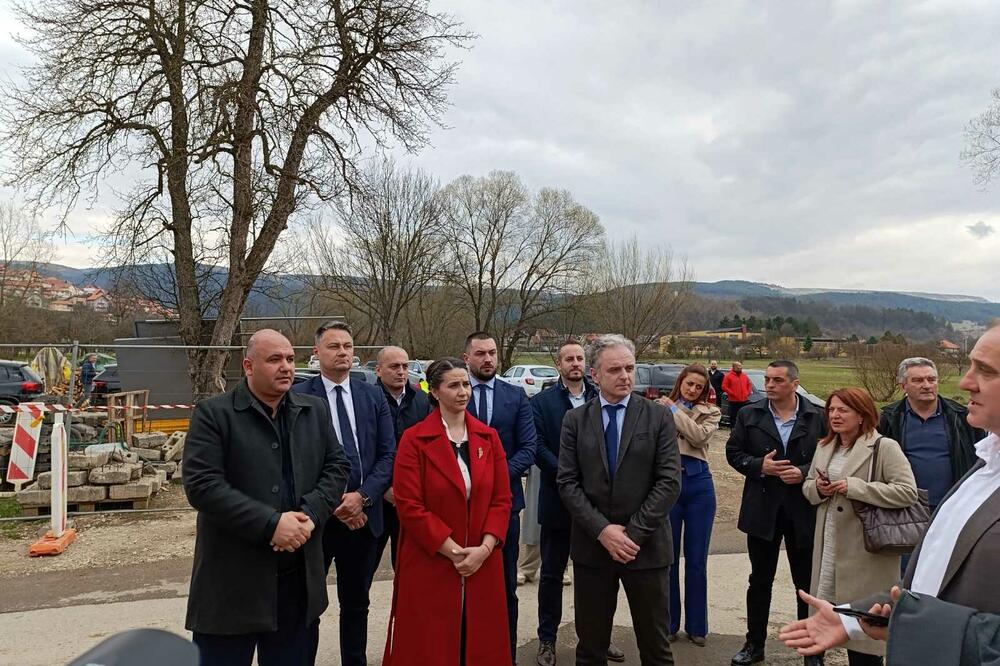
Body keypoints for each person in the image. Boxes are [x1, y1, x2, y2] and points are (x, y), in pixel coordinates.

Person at [779, 323, 1000, 665]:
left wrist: (914, 624)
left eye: (985, 370)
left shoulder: (951, 428)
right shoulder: (984, 468)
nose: (964, 382)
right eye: (831, 411)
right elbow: (930, 588)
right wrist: (857, 619)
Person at [183, 330, 351, 665]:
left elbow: (337, 465)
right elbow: (202, 485)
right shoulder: (214, 414)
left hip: (297, 584)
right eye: (275, 359)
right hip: (232, 584)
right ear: (248, 365)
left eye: (290, 359)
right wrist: (270, 524)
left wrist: (310, 516)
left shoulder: (313, 410)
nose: (286, 367)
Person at [557, 334, 681, 666]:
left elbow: (669, 482)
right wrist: (602, 531)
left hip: (646, 549)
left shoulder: (657, 417)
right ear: (594, 375)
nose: (626, 376)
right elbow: (567, 483)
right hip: (592, 550)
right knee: (591, 647)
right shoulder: (575, 421)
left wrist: (630, 535)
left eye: (630, 367)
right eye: (615, 369)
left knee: (656, 647)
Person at [383, 357, 513, 666]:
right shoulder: (414, 440)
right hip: (432, 560)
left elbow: (502, 498)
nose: (463, 391)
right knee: (431, 645)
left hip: (483, 561)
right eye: (453, 385)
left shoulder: (488, 438)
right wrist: (453, 551)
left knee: (481, 642)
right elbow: (410, 505)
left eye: (466, 384)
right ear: (435, 392)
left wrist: (484, 548)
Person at [292, 321, 396, 666]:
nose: (343, 353)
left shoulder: (372, 394)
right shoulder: (300, 398)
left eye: (348, 346)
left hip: (363, 519)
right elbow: (297, 461)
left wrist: (362, 497)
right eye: (334, 346)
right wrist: (334, 503)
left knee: (357, 603)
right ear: (316, 353)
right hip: (318, 520)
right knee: (308, 604)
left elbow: (388, 454)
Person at [801, 387, 917, 666]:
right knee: (819, 620)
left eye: (843, 410)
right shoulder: (824, 446)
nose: (835, 415)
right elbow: (807, 486)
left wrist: (856, 487)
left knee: (863, 633)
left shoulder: (884, 447)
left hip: (865, 552)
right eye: (831, 410)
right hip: (828, 545)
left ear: (862, 414)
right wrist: (818, 488)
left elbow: (907, 491)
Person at [725, 360, 825, 666]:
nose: (769, 385)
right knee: (760, 581)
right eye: (767, 379)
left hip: (802, 510)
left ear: (795, 384)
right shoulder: (749, 414)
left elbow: (832, 454)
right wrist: (759, 466)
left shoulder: (817, 416)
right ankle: (754, 645)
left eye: (777, 380)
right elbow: (733, 452)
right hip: (763, 508)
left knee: (806, 584)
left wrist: (805, 472)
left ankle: (812, 650)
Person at [532, 340, 625, 666]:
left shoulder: (602, 398)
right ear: (558, 364)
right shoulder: (542, 402)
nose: (574, 363)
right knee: (552, 576)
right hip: (558, 504)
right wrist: (569, 475)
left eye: (579, 358)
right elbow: (537, 447)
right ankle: (547, 640)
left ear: (587, 365)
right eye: (568, 359)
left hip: (598, 508)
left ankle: (600, 638)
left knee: (600, 578)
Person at [464, 331, 538, 664]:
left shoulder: (516, 397)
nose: (488, 359)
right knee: (462, 586)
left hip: (503, 503)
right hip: (458, 505)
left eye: (492, 353)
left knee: (504, 586)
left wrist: (492, 477)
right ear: (467, 358)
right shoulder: (452, 392)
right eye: (480, 354)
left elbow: (528, 448)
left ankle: (505, 654)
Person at [655, 363, 721, 648]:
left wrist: (673, 410)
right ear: (680, 382)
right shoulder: (658, 407)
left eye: (698, 386)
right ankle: (668, 623)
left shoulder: (712, 412)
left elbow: (697, 435)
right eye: (689, 384)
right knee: (668, 559)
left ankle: (697, 627)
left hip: (699, 486)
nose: (692, 390)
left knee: (696, 560)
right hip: (669, 484)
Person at [877, 357, 985, 513]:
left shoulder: (962, 417)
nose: (926, 385)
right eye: (918, 380)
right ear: (903, 386)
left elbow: (983, 459)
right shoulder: (888, 419)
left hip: (953, 506)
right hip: (905, 509)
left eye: (931, 379)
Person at [374, 345, 431, 570]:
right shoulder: (368, 399)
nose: (401, 372)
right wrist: (383, 487)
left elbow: (427, 449)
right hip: (376, 499)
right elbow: (367, 450)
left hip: (412, 499)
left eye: (405, 366)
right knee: (362, 572)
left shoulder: (422, 401)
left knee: (409, 569)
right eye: (394, 366)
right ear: (378, 370)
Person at [518, 466, 542, 585]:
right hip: (538, 462)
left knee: (561, 521)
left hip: (563, 460)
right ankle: (528, 569)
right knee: (534, 518)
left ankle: (562, 568)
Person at [722, 361, 753, 425]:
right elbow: (724, 386)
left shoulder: (744, 376)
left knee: (744, 415)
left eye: (740, 366)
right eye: (738, 366)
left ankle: (743, 429)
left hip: (744, 400)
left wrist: (748, 392)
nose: (740, 367)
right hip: (734, 401)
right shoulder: (728, 376)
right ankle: (733, 429)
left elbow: (749, 384)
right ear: (733, 367)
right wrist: (732, 393)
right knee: (733, 416)